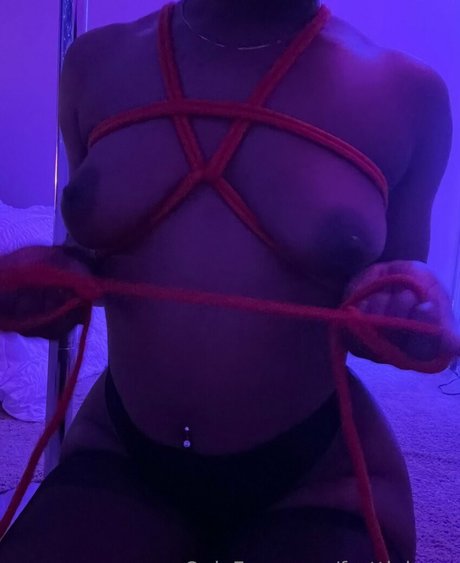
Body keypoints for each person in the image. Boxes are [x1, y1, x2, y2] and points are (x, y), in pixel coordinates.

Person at [0, 0, 454, 561]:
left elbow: (394, 297)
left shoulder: (409, 94)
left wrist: (414, 313)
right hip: (122, 449)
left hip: (315, 473)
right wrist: (53, 279)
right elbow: (87, 252)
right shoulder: (93, 63)